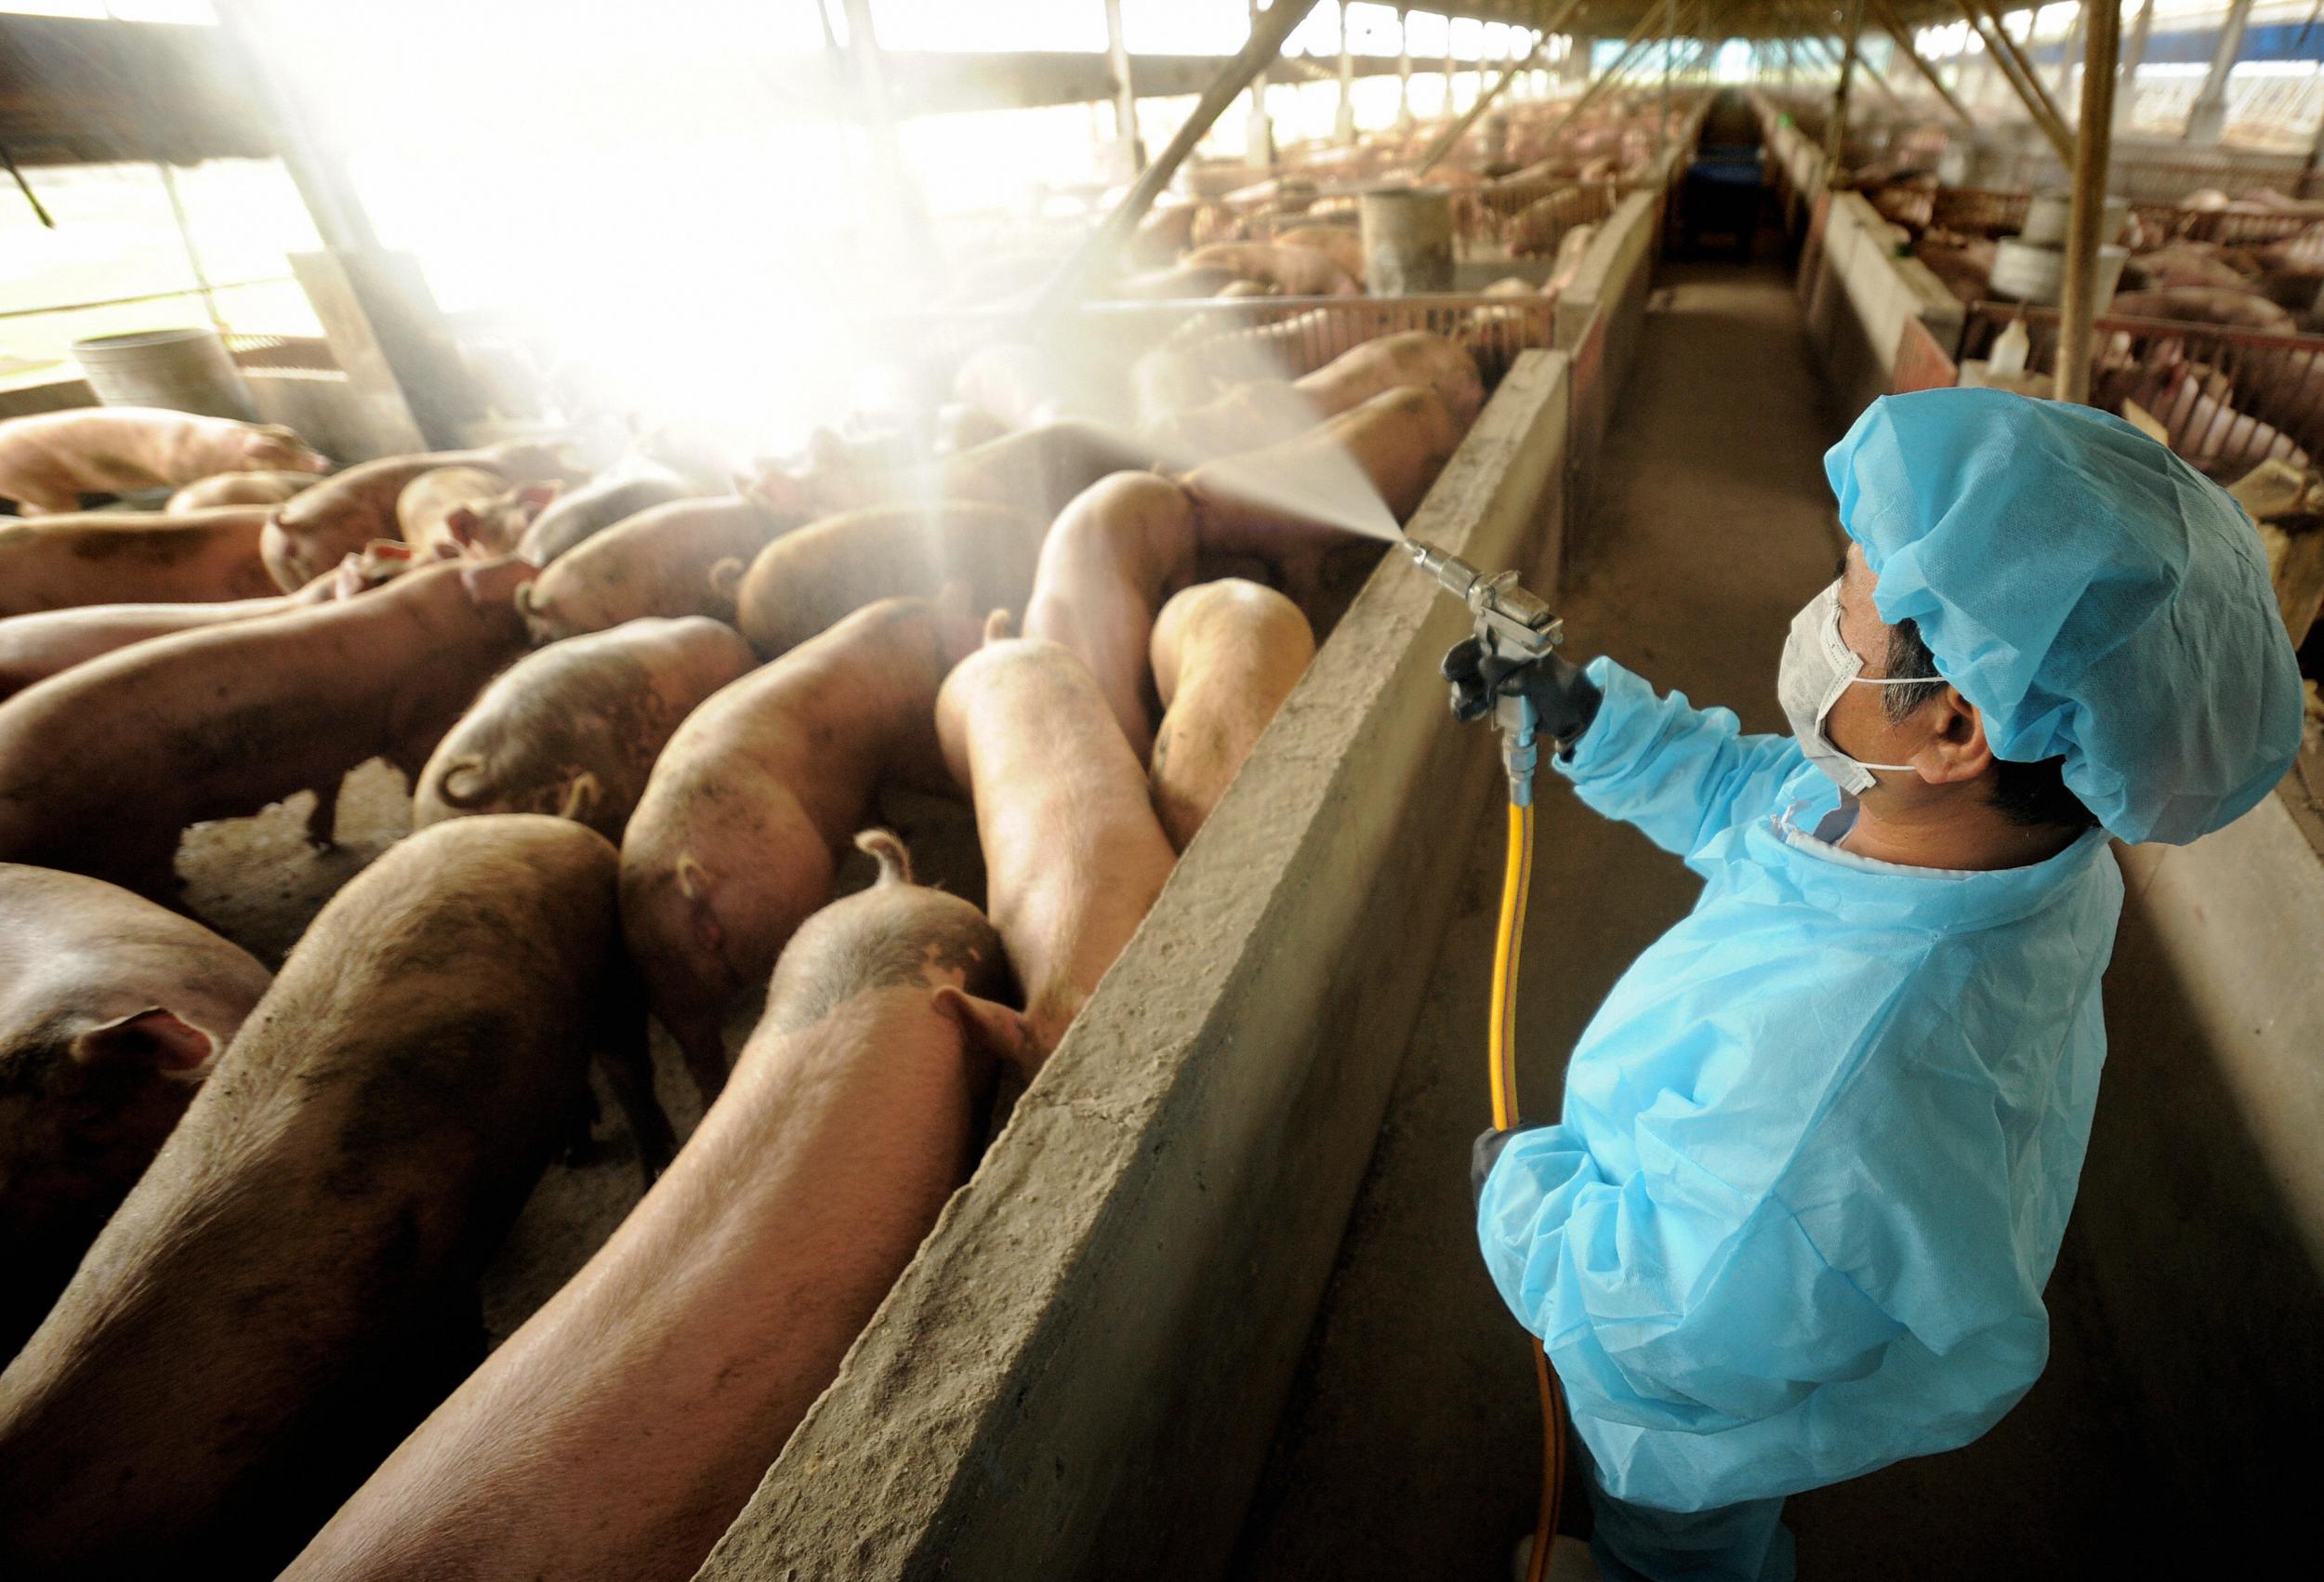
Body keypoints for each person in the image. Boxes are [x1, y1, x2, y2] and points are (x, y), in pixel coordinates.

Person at [1451, 389, 2304, 1582]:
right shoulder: (2004, 844)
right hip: (1800, 1301)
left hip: (1707, 1382)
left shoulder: (1836, 1089)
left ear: (1957, 725)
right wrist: (1586, 718)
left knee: (1682, 1531)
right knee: (1750, 1465)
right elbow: (1763, 801)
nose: (1823, 622)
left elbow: (1660, 1333)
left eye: (1850, 601)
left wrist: (1521, 1198)